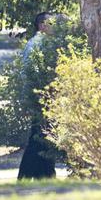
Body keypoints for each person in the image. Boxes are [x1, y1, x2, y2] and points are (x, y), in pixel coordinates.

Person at [17, 12, 57, 179]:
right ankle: (27, 176)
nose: (54, 26)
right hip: (39, 98)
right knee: (38, 137)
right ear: (41, 25)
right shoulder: (36, 43)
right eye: (51, 23)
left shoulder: (47, 43)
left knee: (46, 137)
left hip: (47, 97)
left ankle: (45, 173)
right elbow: (27, 72)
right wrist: (29, 98)